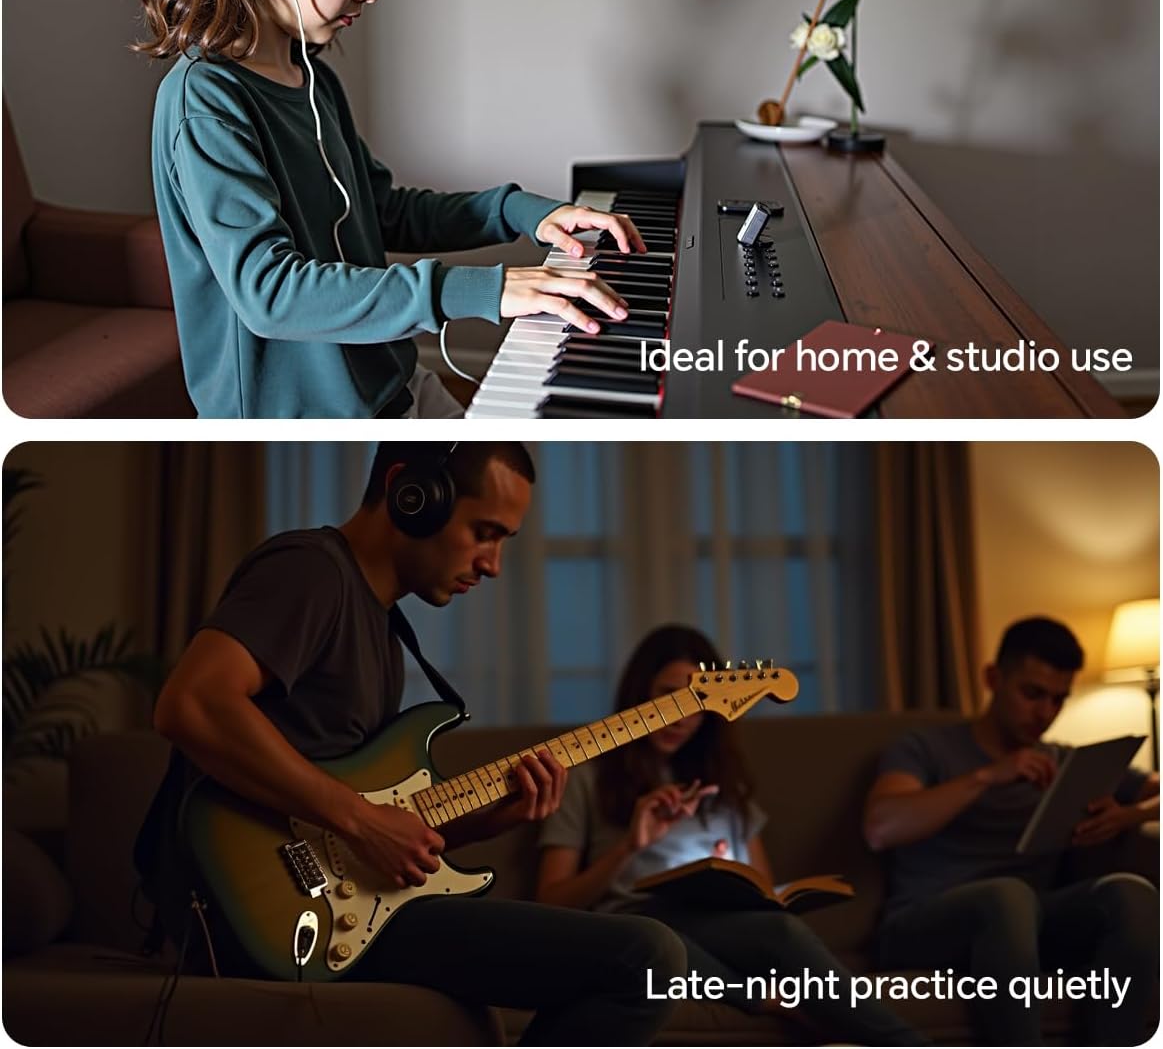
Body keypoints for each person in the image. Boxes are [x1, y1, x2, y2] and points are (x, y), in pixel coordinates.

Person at [142, 441, 687, 1044]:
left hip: (344, 906)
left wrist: (483, 823)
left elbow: (366, 826)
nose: (494, 564)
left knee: (651, 957)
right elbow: (191, 703)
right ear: (412, 495)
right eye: (485, 532)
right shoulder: (312, 571)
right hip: (264, 915)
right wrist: (361, 821)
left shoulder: (380, 626)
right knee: (647, 958)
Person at [136, 0, 645, 418]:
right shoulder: (206, 102)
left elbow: (380, 213)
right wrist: (485, 289)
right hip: (298, 422)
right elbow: (269, 293)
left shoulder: (311, 77)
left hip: (385, 381)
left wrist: (521, 212)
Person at [535, 624, 925, 1045]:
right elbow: (551, 901)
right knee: (660, 945)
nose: (680, 717)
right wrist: (631, 846)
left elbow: (764, 892)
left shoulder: (723, 784)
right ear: (638, 696)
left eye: (695, 702)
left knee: (782, 932)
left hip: (719, 925)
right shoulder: (586, 777)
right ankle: (766, 1000)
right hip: (636, 921)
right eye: (667, 695)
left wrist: (736, 882)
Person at [863, 615, 1160, 1046]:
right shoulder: (925, 747)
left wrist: (1130, 815)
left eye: (1059, 699)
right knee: (1007, 895)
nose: (1045, 713)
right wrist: (987, 777)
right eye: (1032, 693)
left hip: (1031, 922)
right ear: (992, 678)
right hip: (922, 924)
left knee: (1130, 891)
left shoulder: (1063, 761)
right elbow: (881, 827)